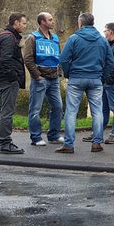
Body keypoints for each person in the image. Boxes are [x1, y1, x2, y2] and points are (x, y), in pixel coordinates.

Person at [57, 13, 114, 153]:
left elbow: (63, 59)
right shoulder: (102, 40)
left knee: (71, 112)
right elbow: (110, 61)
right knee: (97, 112)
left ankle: (69, 145)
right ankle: (97, 143)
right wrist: (103, 77)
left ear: (80, 23)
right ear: (93, 23)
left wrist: (69, 73)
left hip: (76, 78)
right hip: (95, 79)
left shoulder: (74, 38)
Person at [23, 12, 64, 147]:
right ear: (42, 22)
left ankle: (54, 135)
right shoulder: (32, 38)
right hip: (40, 79)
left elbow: (58, 57)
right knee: (35, 109)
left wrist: (59, 73)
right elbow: (28, 59)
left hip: (54, 79)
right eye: (50, 20)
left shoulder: (55, 38)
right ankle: (36, 137)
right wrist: (37, 76)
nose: (53, 22)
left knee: (58, 107)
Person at [87, 22, 114, 144]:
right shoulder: (112, 45)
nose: (104, 33)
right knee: (103, 110)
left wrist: (108, 79)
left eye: (105, 31)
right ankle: (97, 133)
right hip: (107, 82)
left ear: (110, 32)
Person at [0, 13, 28, 154]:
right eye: (23, 23)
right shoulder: (8, 37)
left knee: (1, 111)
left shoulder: (6, 35)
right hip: (8, 80)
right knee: (7, 112)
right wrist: (14, 78)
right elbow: (6, 60)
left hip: (3, 78)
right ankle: (5, 142)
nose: (25, 26)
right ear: (16, 22)